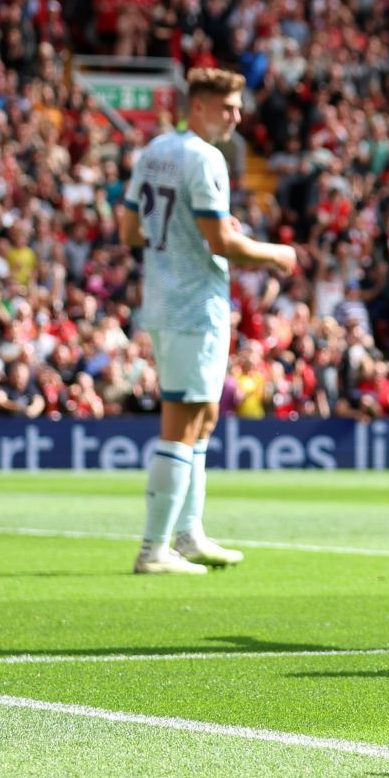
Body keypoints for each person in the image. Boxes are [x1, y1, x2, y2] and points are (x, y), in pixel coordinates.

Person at [118, 68, 297, 575]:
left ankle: (189, 534)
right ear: (198, 106)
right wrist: (275, 254)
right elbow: (221, 243)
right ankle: (154, 549)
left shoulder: (154, 150)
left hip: (166, 299)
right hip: (192, 305)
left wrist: (186, 234)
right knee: (182, 420)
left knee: (204, 417)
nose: (237, 117)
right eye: (228, 108)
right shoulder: (205, 157)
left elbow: (130, 229)